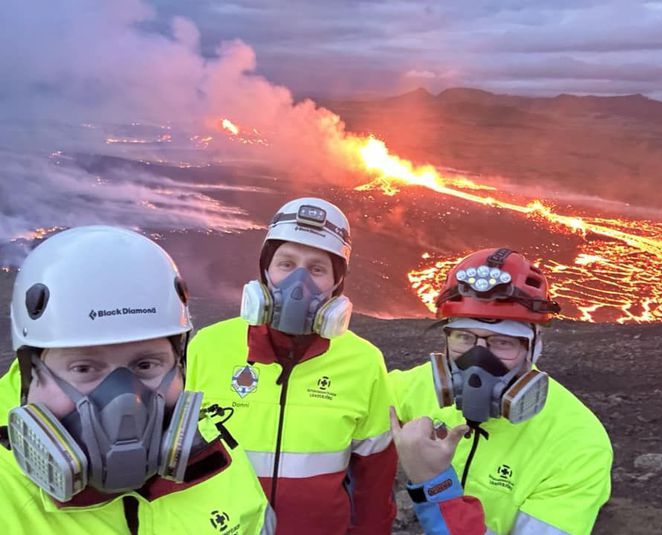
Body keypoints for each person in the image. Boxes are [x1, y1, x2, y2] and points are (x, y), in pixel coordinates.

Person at [0, 226, 274, 534]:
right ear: (30, 375)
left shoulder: (220, 459)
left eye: (146, 365)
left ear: (181, 367)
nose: (126, 402)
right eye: (84, 369)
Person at [185, 197, 397, 535]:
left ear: (336, 284)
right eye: (286, 264)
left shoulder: (364, 362)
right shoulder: (208, 347)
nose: (299, 282)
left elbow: (374, 482)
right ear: (265, 273)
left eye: (317, 269)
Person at [389, 247, 613, 535]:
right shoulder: (415, 385)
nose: (477, 359)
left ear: (533, 347)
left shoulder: (578, 445)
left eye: (503, 342)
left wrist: (434, 485)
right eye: (463, 337)